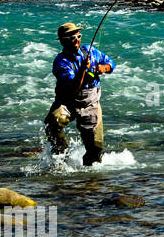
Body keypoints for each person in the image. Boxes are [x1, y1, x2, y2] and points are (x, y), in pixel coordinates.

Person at [45, 23, 115, 166]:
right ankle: (60, 156)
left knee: (95, 148)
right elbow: (73, 88)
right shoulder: (61, 62)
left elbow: (111, 64)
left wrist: (103, 68)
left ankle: (89, 180)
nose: (76, 39)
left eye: (78, 36)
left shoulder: (91, 51)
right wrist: (83, 69)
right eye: (71, 37)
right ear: (62, 41)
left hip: (90, 103)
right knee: (53, 123)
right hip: (67, 102)